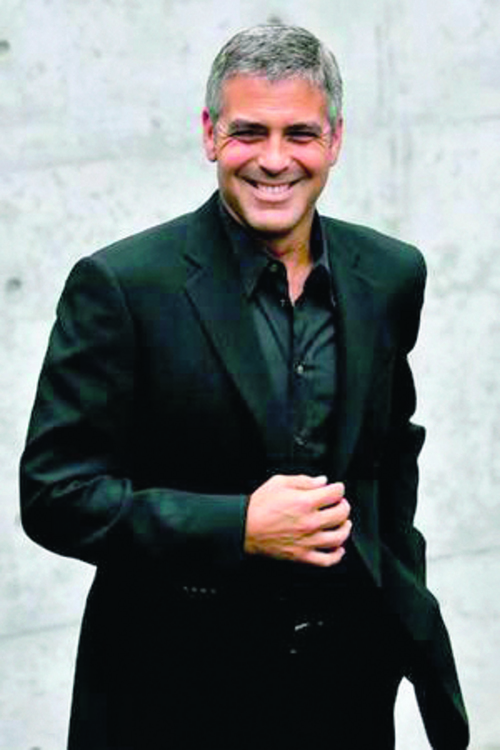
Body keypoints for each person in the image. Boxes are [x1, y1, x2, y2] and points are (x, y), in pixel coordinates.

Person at [20, 23, 469, 750]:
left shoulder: (389, 275)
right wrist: (238, 527)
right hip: (171, 702)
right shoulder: (121, 286)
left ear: (335, 140)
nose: (274, 160)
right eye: (248, 132)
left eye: (300, 134)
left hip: (344, 699)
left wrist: (396, 596)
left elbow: (390, 458)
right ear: (209, 134)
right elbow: (55, 496)